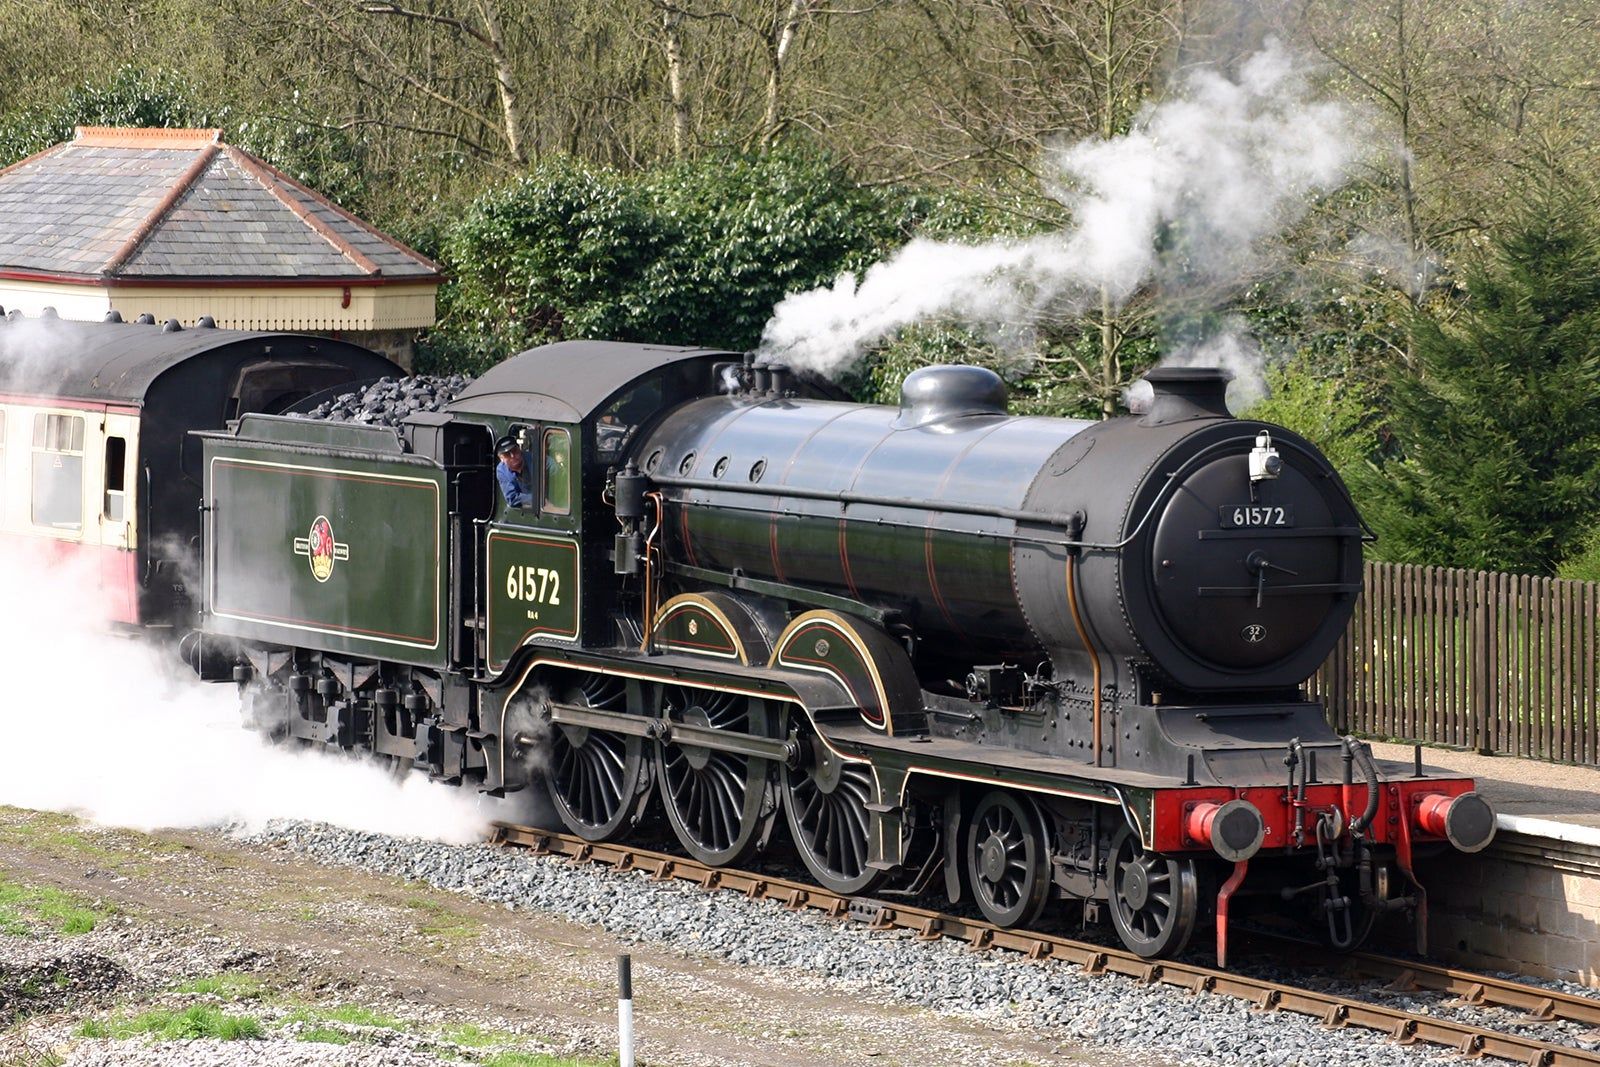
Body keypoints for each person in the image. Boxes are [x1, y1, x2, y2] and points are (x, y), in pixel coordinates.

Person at [495, 435, 531, 508]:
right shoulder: (501, 470)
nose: (512, 456)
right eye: (507, 454)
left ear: (519, 449)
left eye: (514, 451)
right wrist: (536, 499)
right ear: (501, 458)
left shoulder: (536, 459)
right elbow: (512, 498)